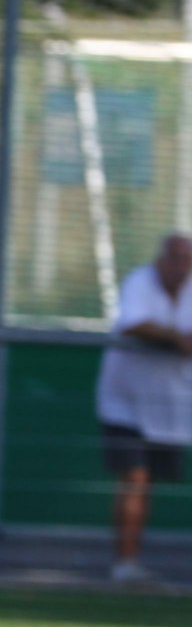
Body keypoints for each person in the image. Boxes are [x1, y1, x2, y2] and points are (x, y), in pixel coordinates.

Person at [95, 232, 192, 583]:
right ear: (161, 259)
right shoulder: (139, 281)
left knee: (147, 482)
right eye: (175, 257)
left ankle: (132, 562)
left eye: (187, 259)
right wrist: (175, 337)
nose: (181, 266)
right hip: (125, 401)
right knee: (134, 477)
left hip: (171, 402)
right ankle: (124, 564)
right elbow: (134, 323)